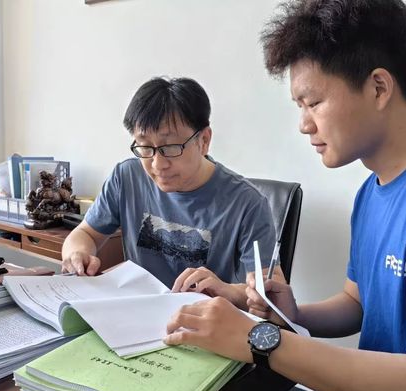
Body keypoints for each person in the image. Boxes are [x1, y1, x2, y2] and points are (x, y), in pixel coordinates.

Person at [164, 1, 406, 391]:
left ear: (379, 87)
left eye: (314, 102)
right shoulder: (373, 189)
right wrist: (290, 315)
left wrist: (258, 338)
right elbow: (357, 302)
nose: (304, 125)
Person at [62, 77, 283, 308]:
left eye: (170, 147)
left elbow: (271, 293)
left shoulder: (247, 203)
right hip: (136, 312)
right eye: (145, 147)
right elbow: (85, 234)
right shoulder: (126, 177)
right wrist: (77, 254)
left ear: (204, 140)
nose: (157, 164)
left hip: (203, 320)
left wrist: (225, 290)